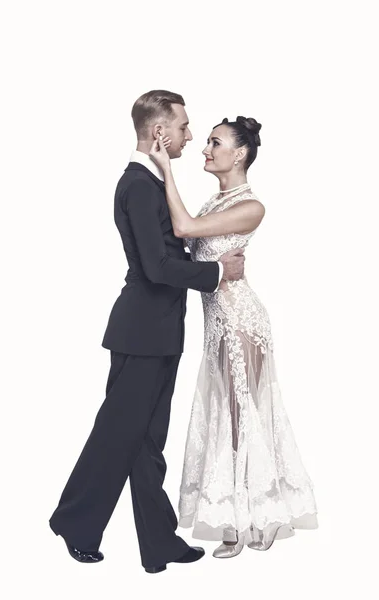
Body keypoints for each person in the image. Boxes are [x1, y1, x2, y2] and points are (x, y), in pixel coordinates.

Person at [49, 90, 245, 574]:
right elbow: (158, 267)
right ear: (160, 132)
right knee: (117, 435)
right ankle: (74, 522)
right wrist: (217, 274)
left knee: (145, 441)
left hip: (158, 331)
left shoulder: (154, 181)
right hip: (140, 330)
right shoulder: (137, 184)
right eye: (183, 127)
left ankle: (159, 544)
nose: (190, 135)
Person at [149, 115, 318, 558]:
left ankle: (247, 523)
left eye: (215, 142)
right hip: (215, 324)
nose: (205, 149)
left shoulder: (251, 206)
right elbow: (184, 240)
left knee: (243, 416)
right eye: (205, 142)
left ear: (239, 153)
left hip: (242, 321)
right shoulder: (211, 204)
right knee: (223, 413)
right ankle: (235, 520)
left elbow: (182, 229)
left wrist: (167, 168)